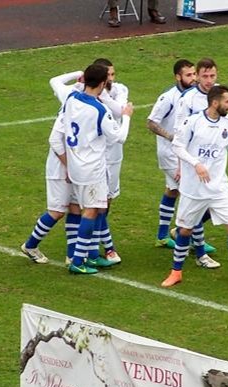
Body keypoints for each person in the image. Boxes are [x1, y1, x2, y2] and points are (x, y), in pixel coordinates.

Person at [160, 85, 228, 292]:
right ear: (215, 102)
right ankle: (176, 272)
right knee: (185, 230)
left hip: (219, 187)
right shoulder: (194, 122)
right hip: (193, 189)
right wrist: (196, 163)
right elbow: (177, 147)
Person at [63, 63, 133, 274]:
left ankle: (92, 256)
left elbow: (56, 82)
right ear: (102, 83)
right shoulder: (99, 109)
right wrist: (127, 115)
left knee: (97, 208)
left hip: (75, 165)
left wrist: (76, 73)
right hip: (92, 168)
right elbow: (119, 138)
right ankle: (78, 260)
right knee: (92, 211)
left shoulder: (71, 99)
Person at [19, 70, 85, 265]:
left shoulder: (76, 99)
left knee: (75, 208)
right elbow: (55, 141)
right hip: (59, 168)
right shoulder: (72, 103)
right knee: (57, 211)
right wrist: (68, 167)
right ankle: (30, 245)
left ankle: (72, 255)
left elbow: (55, 81)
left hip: (75, 166)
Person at [166, 57, 219, 267]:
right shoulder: (188, 99)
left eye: (212, 75)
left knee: (210, 206)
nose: (208, 80)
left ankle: (180, 232)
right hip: (192, 163)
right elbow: (179, 135)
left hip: (213, 161)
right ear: (196, 76)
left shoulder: (218, 93)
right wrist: (181, 165)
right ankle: (200, 255)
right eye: (204, 76)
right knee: (199, 205)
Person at [146, 59, 196, 248]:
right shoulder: (168, 97)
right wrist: (170, 136)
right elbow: (151, 122)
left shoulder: (196, 95)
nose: (193, 78)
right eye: (188, 75)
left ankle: (162, 235)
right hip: (170, 154)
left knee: (173, 190)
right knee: (193, 193)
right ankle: (189, 238)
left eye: (194, 74)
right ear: (178, 77)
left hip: (185, 153)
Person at [94, 58, 130, 266]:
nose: (110, 79)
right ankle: (107, 248)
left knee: (107, 202)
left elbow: (119, 109)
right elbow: (121, 113)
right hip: (96, 157)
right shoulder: (87, 94)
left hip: (114, 156)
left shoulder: (120, 89)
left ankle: (96, 238)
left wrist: (104, 95)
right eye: (106, 75)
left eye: (112, 75)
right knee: (95, 203)